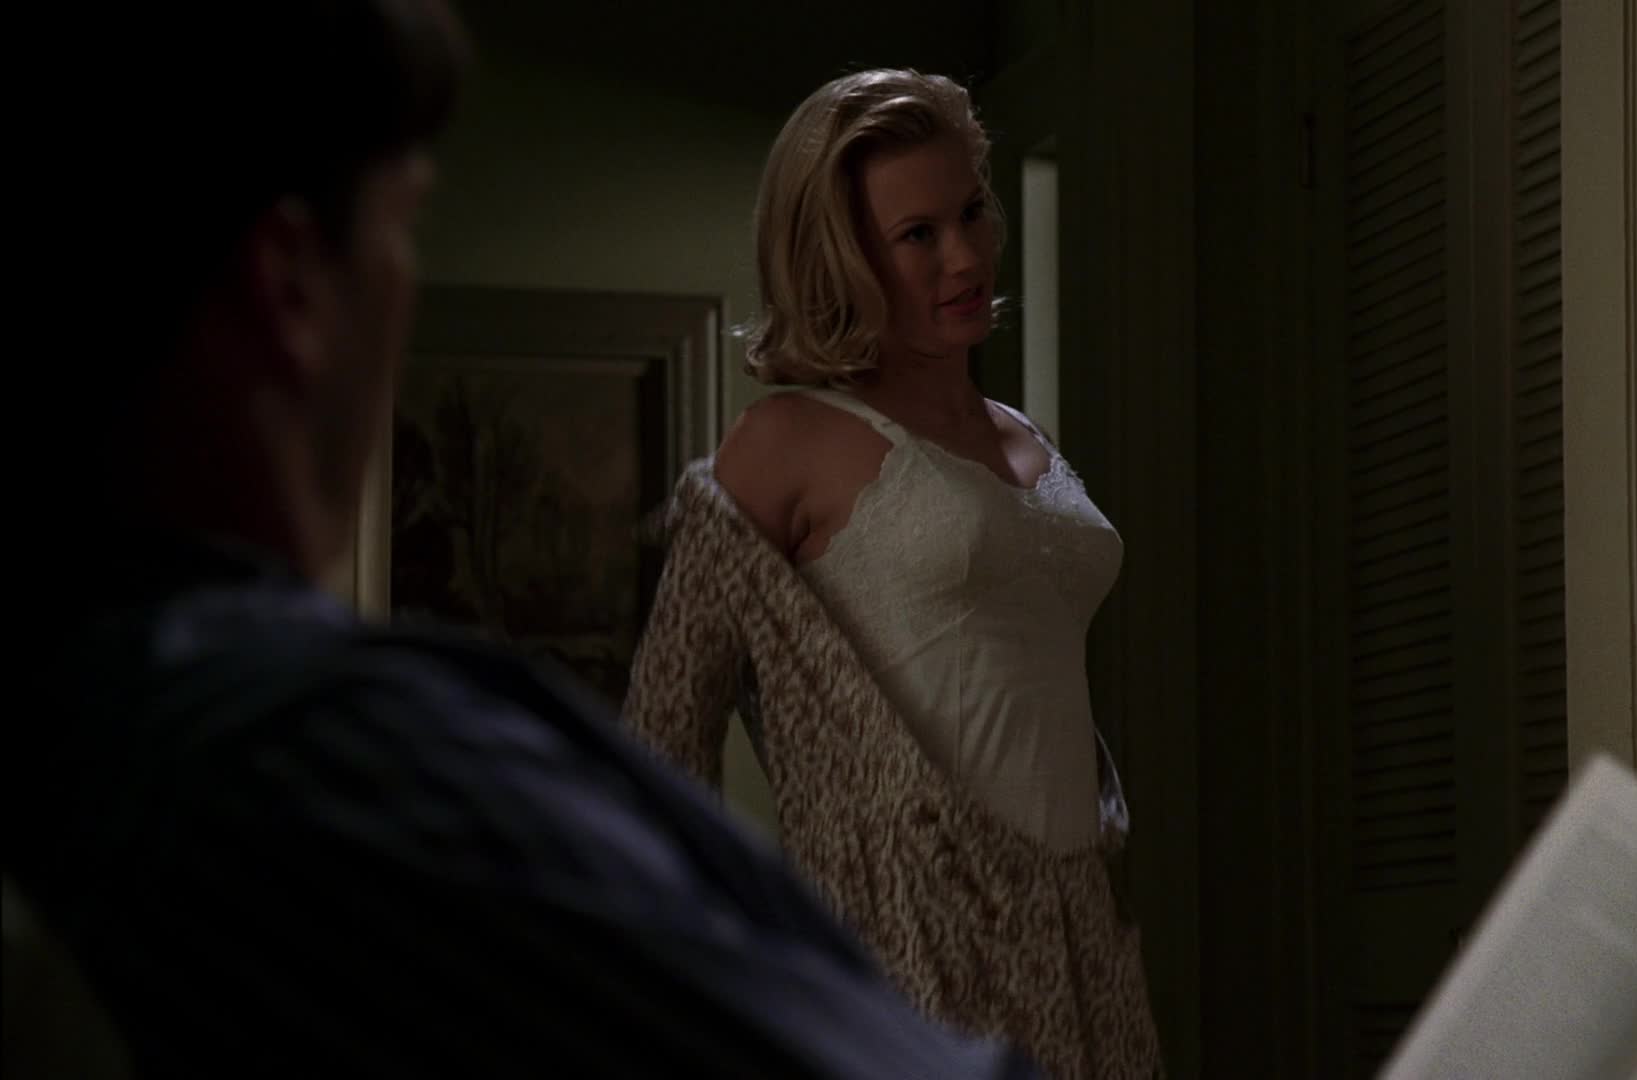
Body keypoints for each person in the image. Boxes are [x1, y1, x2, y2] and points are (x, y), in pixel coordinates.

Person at [5, 7, 1040, 1078]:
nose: (961, 254)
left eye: (973, 212)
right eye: (403, 225)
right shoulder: (334, 773)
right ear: (291, 287)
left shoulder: (100, 744)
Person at [623, 69, 1162, 1078]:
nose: (965, 257)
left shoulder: (1023, 436)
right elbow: (661, 743)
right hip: (908, 940)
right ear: (843, 256)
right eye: (918, 235)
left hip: (1081, 940)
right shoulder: (783, 443)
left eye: (973, 212)